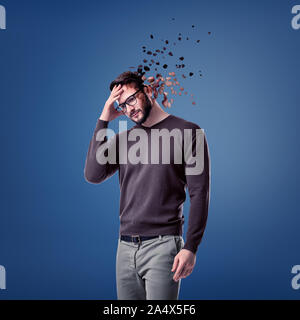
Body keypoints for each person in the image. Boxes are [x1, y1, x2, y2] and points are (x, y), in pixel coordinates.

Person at [84, 71, 211, 300]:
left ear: (149, 91)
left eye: (131, 99)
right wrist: (104, 118)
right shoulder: (124, 139)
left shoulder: (189, 132)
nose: (129, 109)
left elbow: (199, 193)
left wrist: (191, 246)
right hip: (124, 248)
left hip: (164, 247)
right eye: (122, 105)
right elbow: (93, 174)